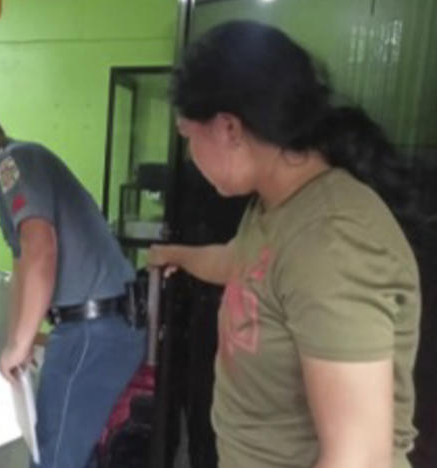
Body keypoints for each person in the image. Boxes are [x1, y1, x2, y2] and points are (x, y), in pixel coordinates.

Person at [149, 21, 421, 468]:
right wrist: (175, 255)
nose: (191, 158)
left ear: (228, 128)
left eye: (187, 135)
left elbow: (360, 459)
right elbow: (242, 263)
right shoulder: (277, 206)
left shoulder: (331, 240)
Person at [0, 104, 146, 468]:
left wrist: (21, 342)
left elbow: (41, 249)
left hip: (93, 330)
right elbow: (22, 264)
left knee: (53, 456)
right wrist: (16, 343)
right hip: (91, 327)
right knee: (67, 450)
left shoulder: (15, 162)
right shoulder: (5, 182)